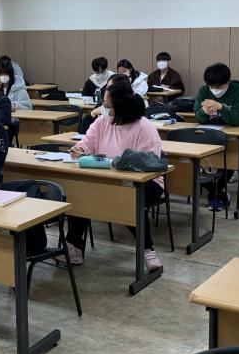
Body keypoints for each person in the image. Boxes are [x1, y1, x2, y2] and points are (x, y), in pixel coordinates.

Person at [64, 81, 164, 271]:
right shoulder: (102, 122)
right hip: (108, 178)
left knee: (127, 198)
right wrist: (80, 149)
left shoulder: (144, 126)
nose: (104, 109)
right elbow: (88, 141)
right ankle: (74, 246)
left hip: (147, 182)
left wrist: (119, 164)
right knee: (80, 193)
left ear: (122, 107)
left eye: (107, 106)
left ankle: (147, 250)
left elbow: (148, 163)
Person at [194, 63, 239, 210]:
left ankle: (214, 193)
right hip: (209, 134)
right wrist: (203, 112)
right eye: (212, 86)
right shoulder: (204, 90)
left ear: (227, 82)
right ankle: (217, 190)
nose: (215, 90)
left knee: (230, 156)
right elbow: (198, 118)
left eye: (219, 86)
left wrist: (221, 108)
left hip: (232, 136)